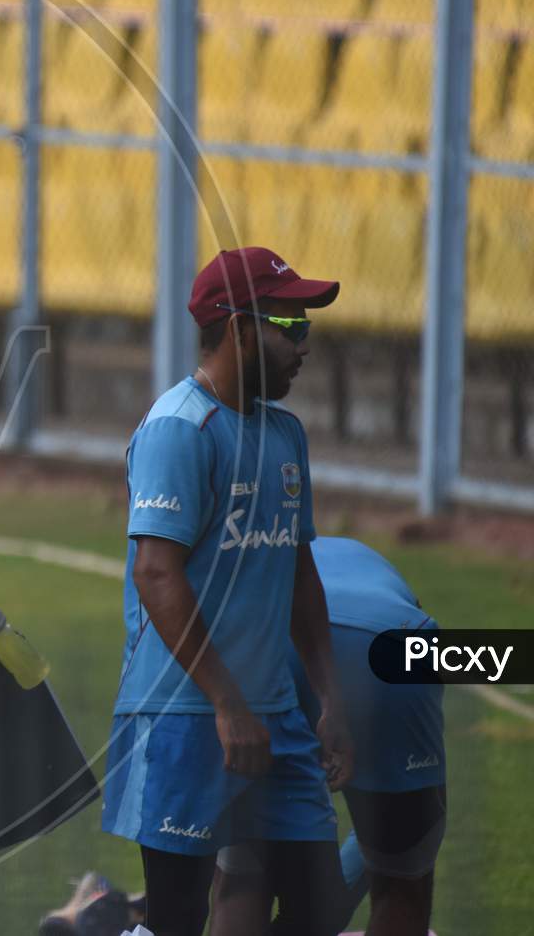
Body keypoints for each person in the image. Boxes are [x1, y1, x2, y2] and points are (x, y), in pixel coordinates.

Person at [98, 246, 356, 936]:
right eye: (292, 326)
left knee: (320, 908)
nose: (305, 344)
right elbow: (156, 572)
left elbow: (298, 571)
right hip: (186, 717)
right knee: (178, 915)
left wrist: (328, 698)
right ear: (242, 328)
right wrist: (226, 703)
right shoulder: (181, 428)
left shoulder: (284, 434)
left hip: (274, 716)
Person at [215, 537, 446, 936]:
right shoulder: (383, 580)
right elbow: (388, 841)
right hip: (397, 643)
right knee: (403, 881)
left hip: (275, 642)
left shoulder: (278, 553)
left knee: (245, 878)